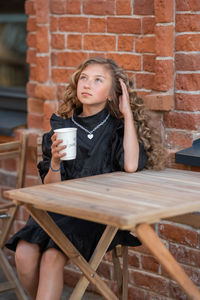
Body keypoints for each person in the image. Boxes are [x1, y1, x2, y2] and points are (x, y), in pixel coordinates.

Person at [6, 57, 166, 300]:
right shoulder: (62, 127)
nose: (87, 84)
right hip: (58, 208)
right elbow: (52, 188)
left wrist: (127, 114)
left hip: (95, 212)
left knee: (51, 257)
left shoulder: (117, 130)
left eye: (98, 80)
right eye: (84, 78)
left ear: (113, 93)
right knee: (23, 254)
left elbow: (131, 165)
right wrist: (56, 162)